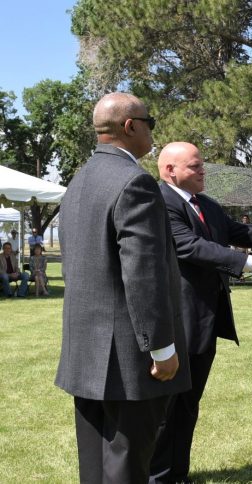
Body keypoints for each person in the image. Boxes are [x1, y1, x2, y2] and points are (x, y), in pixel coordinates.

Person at [55, 92, 191, 484]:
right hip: (131, 359)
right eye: (151, 121)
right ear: (131, 126)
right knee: (128, 467)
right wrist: (162, 348)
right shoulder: (135, 183)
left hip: (86, 351)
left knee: (96, 469)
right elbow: (143, 274)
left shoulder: (78, 182)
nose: (153, 131)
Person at [150, 141, 252, 483]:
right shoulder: (159, 203)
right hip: (175, 322)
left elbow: (239, 233)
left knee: (188, 404)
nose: (203, 172)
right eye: (195, 166)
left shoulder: (206, 205)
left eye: (202, 166)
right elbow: (188, 246)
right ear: (170, 170)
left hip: (203, 321)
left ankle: (176, 473)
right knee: (166, 408)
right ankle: (155, 476)